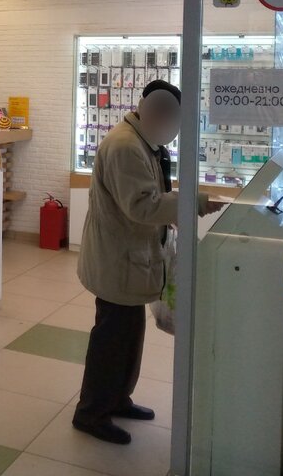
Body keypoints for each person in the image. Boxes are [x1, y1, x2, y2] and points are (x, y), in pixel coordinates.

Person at [72, 80, 223, 445]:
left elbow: (151, 196)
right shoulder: (126, 146)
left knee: (128, 335)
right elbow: (142, 206)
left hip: (129, 257)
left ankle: (117, 399)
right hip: (117, 259)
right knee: (112, 339)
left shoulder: (143, 142)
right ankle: (91, 412)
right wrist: (195, 202)